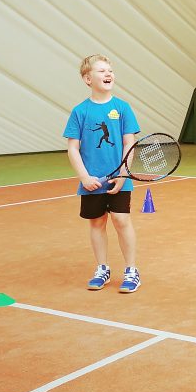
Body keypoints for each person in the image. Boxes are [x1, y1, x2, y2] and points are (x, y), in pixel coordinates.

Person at [63, 54, 142, 293]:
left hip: (119, 178)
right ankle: (102, 268)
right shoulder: (80, 111)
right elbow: (72, 148)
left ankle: (131, 270)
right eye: (101, 71)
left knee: (121, 220)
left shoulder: (122, 108)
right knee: (97, 223)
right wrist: (84, 178)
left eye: (110, 70)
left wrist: (123, 173)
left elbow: (130, 142)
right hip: (92, 181)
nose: (108, 74)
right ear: (88, 79)